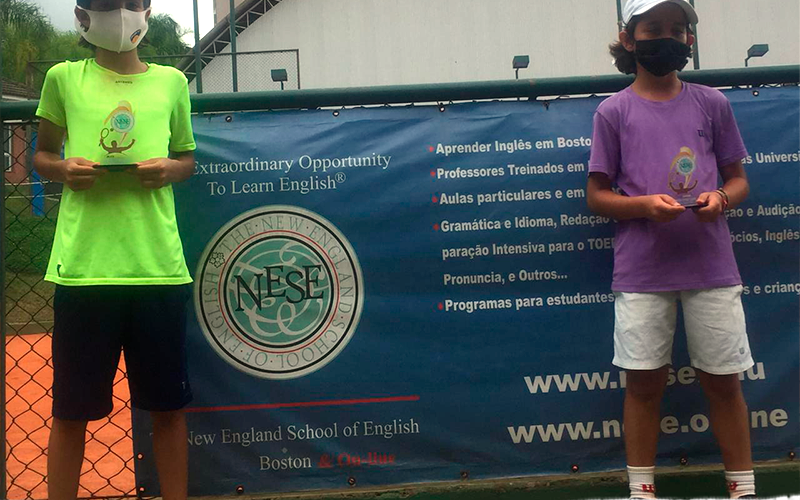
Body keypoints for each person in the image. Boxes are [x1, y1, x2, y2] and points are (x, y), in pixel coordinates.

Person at [586, 0, 755, 498]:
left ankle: (743, 488)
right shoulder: (612, 111)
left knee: (724, 383)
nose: (668, 37)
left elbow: (739, 180)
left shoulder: (712, 103)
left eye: (678, 30)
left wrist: (721, 199)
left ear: (689, 40)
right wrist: (642, 206)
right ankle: (641, 491)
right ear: (629, 38)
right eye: (654, 28)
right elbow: (596, 197)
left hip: (712, 269)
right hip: (642, 274)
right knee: (642, 386)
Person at [33, 1, 196, 499]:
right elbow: (43, 154)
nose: (122, 13)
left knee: (168, 410)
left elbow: (186, 159)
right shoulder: (63, 78)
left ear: (146, 10)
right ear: (83, 16)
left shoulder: (172, 82)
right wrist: (63, 169)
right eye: (108, 4)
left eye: (131, 3)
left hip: (158, 270)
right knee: (70, 413)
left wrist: (169, 170)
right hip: (84, 271)